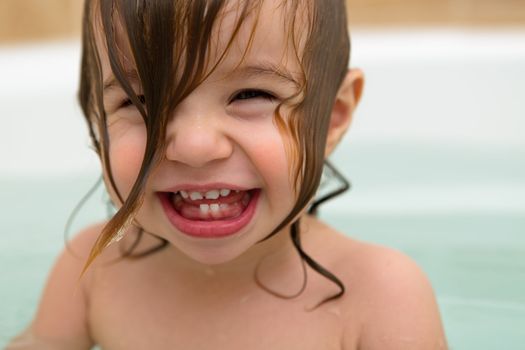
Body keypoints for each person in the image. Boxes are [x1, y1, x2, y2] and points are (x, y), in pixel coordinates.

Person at [7, 0, 447, 349]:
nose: (195, 147)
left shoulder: (380, 298)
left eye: (251, 93)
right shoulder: (92, 271)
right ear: (95, 119)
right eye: (140, 102)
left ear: (333, 116)